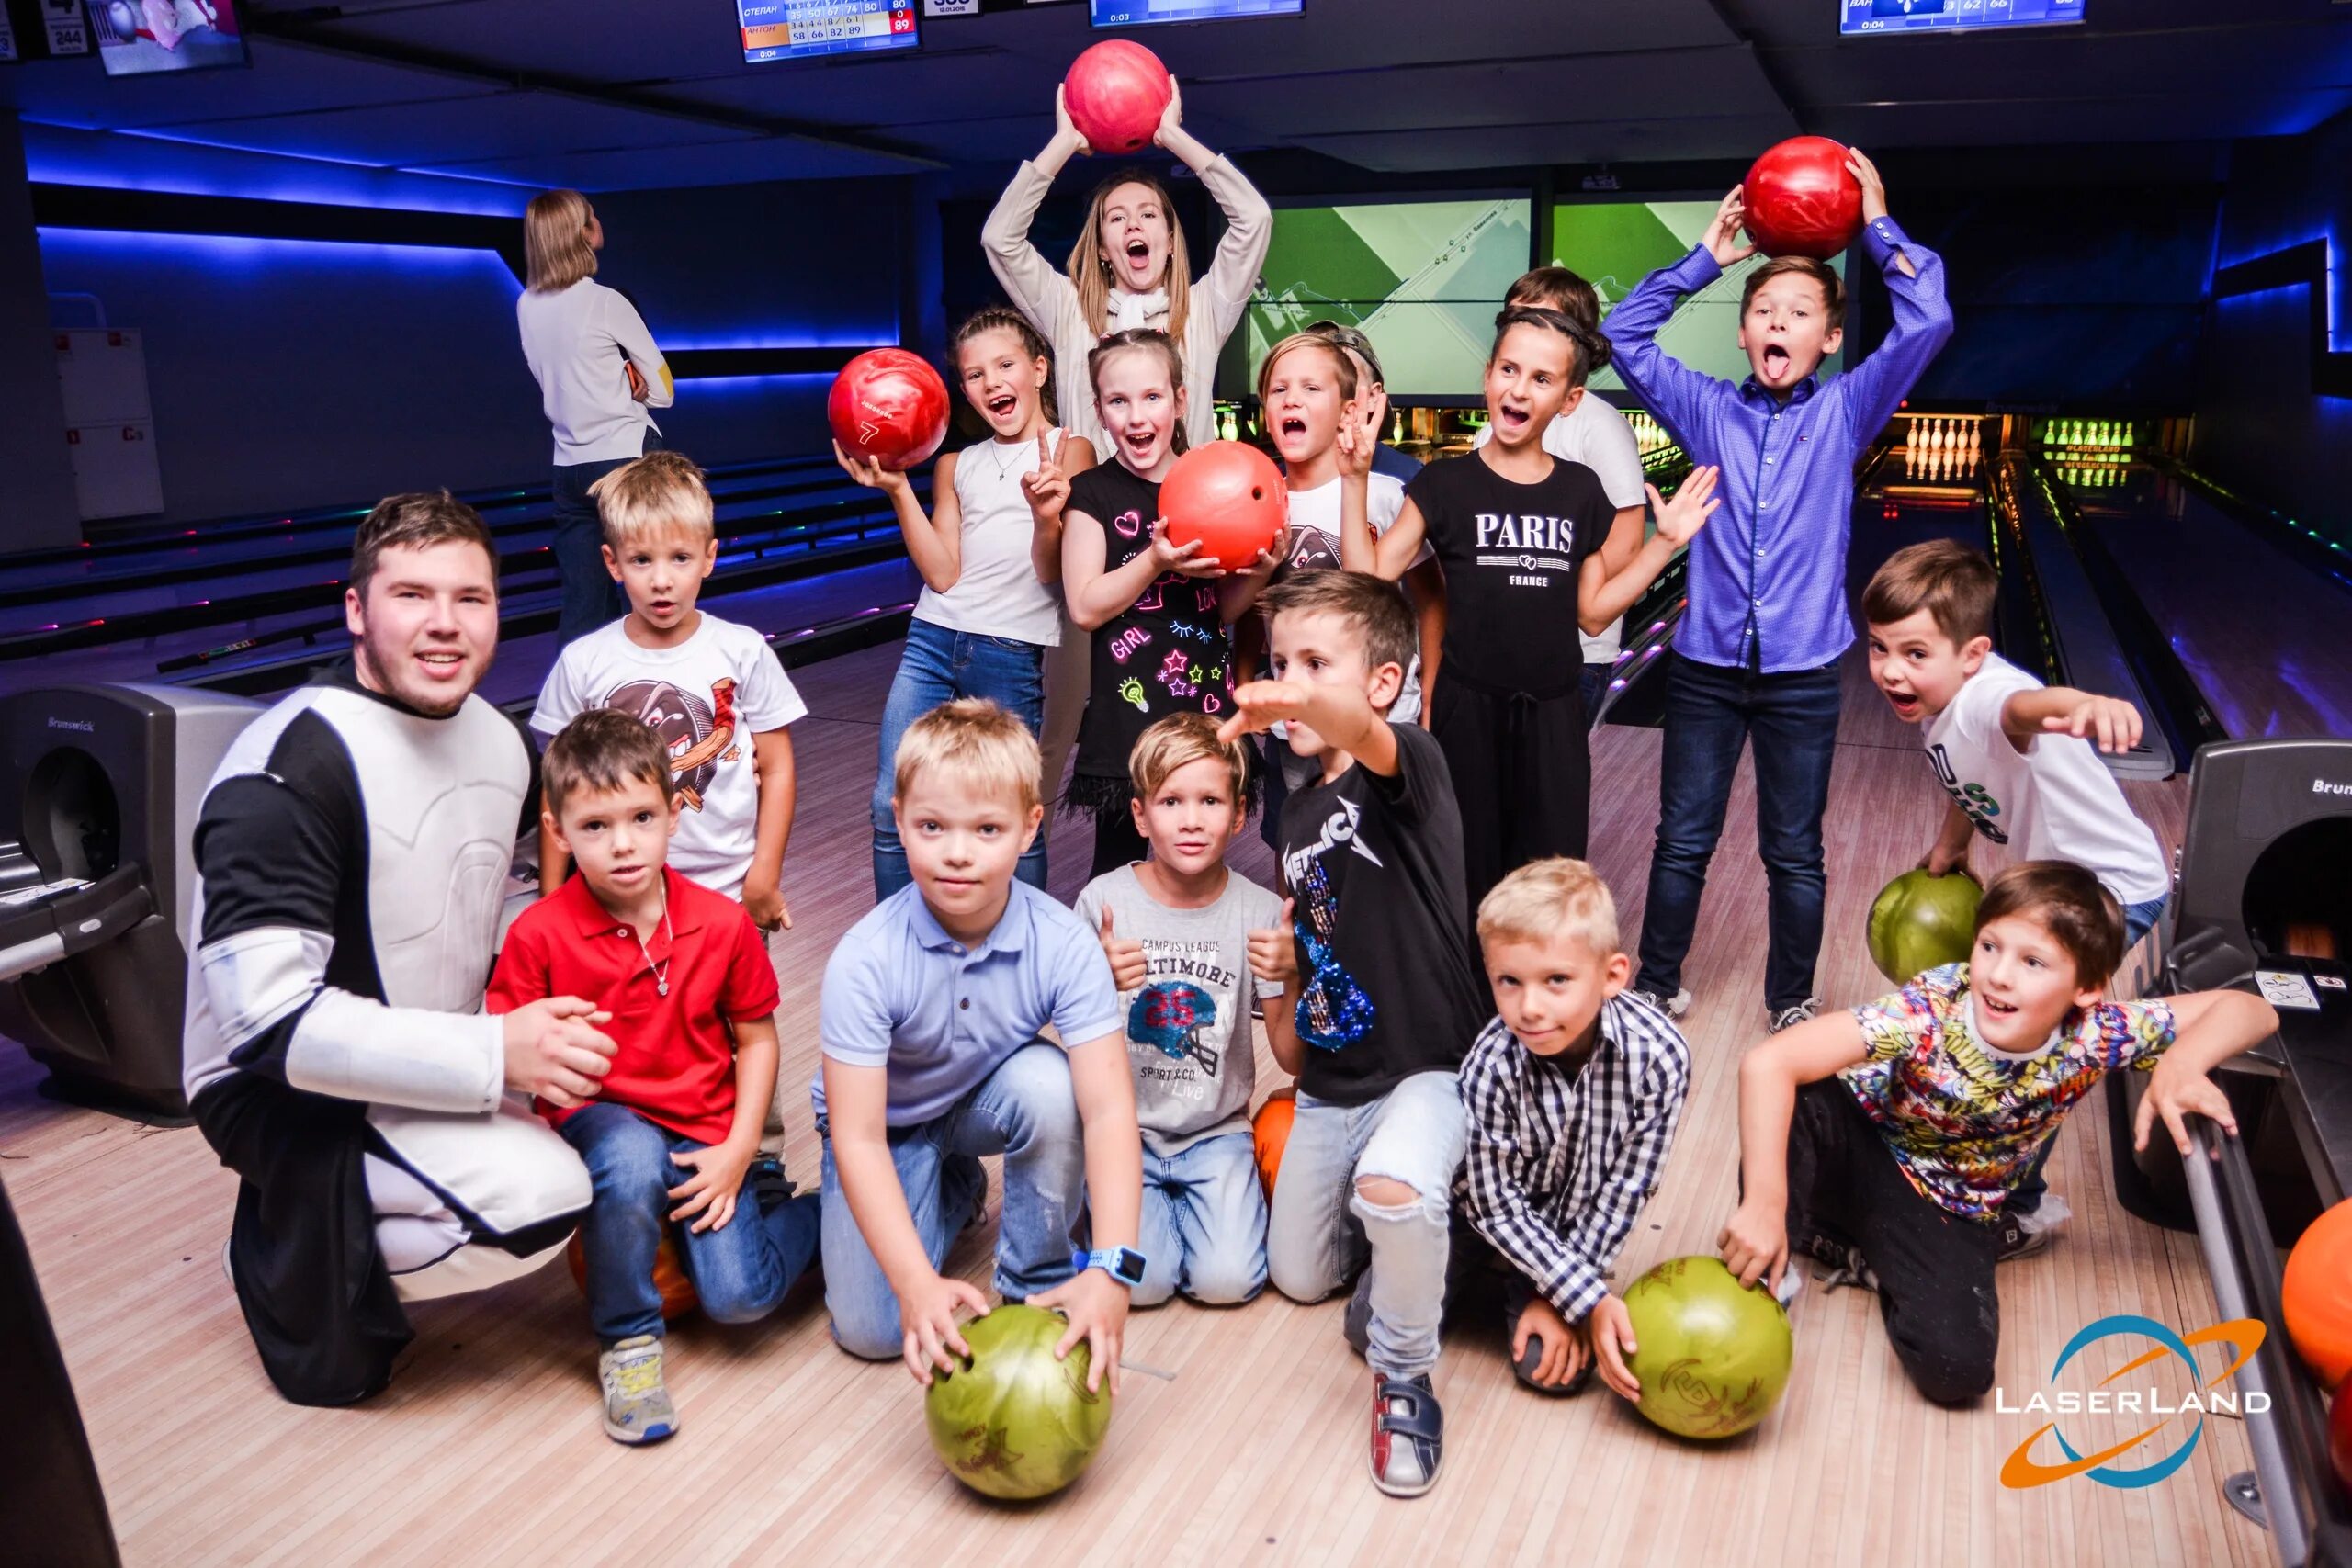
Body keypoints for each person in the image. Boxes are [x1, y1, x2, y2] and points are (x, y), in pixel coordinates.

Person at [182, 492, 608, 1407]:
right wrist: (499, 1055)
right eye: (412, 595)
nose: (445, 625)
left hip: (423, 1046)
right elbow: (267, 1027)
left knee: (618, 1133)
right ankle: (293, 1245)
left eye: (472, 598)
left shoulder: (499, 744)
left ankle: (354, 1204)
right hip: (275, 1089)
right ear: (356, 611)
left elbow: (471, 924)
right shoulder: (288, 768)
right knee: (539, 1196)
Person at [1605, 148, 1953, 1033]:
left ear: (1829, 340)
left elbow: (1926, 321)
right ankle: (1656, 982)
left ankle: (1791, 1000)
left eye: (1799, 312)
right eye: (1763, 308)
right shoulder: (1706, 409)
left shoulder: (1847, 410)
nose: (1778, 320)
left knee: (1794, 852)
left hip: (1802, 672)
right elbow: (1624, 334)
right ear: (1742, 330)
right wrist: (1704, 262)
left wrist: (1875, 223)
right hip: (1704, 666)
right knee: (1682, 840)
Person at [1718, 862, 2278, 1404]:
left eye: (2033, 962)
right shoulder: (1932, 1006)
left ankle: (1849, 1242)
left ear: (2086, 988)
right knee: (1805, 1096)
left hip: (1944, 1202)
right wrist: (1766, 1201)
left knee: (1957, 1373)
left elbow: (2252, 1009)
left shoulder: (2099, 1034)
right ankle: (1768, 1274)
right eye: (1990, 946)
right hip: (1858, 1142)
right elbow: (1769, 1063)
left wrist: (2182, 1063)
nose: (2000, 974)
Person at [1217, 570, 1489, 1499]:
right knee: (1299, 1281)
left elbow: (1359, 734)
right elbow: (1297, 1038)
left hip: (1427, 1067)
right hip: (1333, 1082)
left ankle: (1405, 1376)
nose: (1289, 680)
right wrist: (1282, 983)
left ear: (1378, 682)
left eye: (1315, 665)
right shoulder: (1292, 816)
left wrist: (1302, 704)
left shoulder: (1405, 763)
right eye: (1280, 660)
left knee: (1396, 1199)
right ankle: (1418, 1240)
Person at [491, 711, 820, 1445]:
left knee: (738, 1300)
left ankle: (838, 1219)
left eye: (642, 817)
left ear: (675, 813)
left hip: (705, 1132)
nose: (623, 843)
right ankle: (630, 1341)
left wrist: (739, 1151)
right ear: (557, 829)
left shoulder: (721, 922)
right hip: (600, 1122)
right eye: (596, 825)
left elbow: (757, 1040)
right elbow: (505, 1054)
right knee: (630, 1153)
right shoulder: (537, 934)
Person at [1348, 307, 1722, 922]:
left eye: (1541, 379)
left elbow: (1595, 614)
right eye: (1509, 369)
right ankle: (1469, 1007)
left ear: (1569, 400)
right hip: (1469, 711)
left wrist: (1666, 542)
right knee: (1467, 868)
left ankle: (1541, 1008)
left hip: (1553, 711)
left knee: (1551, 876)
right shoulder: (1443, 485)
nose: (1519, 388)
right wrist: (1356, 477)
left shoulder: (1579, 491)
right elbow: (1370, 577)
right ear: (1488, 375)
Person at [818, 700, 1143, 1394]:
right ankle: (956, 1184)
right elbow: (859, 1135)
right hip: (887, 1124)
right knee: (875, 1330)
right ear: (898, 817)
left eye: (987, 828)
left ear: (1030, 827)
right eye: (932, 826)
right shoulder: (865, 959)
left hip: (979, 1095)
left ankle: (1035, 1277)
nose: (958, 852)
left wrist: (1113, 1268)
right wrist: (914, 1283)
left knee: (1052, 1085)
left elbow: (1110, 1110)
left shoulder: (1064, 943)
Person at [1861, 536, 2174, 1245]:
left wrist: (2083, 703)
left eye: (1914, 653)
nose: (1890, 670)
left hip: (2110, 890)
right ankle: (1958, 1156)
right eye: (1880, 648)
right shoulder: (1942, 703)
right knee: (2000, 1026)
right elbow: (1964, 774)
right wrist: (1952, 843)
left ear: (1972, 654)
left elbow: (2023, 710)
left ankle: (2021, 1205)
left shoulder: (1987, 698)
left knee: (2027, 1041)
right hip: (2051, 886)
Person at [983, 72, 1271, 839]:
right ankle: (1029, 877)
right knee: (1076, 723)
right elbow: (999, 239)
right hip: (1102, 524)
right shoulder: (1071, 314)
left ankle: (1192, 848)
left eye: (1151, 214)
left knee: (1195, 715)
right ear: (1102, 243)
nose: (1135, 225)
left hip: (1199, 527)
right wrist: (1066, 143)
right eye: (1118, 217)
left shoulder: (1202, 310)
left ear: (1171, 235)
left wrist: (1174, 137)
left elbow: (1253, 219)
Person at [835, 307, 1097, 897]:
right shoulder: (956, 463)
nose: (992, 382)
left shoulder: (1071, 452)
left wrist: (1045, 516)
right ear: (963, 391)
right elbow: (942, 574)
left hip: (1010, 650)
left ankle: (1020, 949)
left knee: (1011, 811)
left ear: (1038, 369)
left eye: (1005, 365)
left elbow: (1051, 572)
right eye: (975, 375)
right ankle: (901, 942)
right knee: (890, 801)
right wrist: (899, 488)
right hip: (932, 640)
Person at [532, 451, 802, 935]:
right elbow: (558, 784)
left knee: (735, 1011)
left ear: (709, 557)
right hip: (610, 899)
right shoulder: (584, 660)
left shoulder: (742, 651)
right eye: (641, 560)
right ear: (612, 564)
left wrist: (766, 873)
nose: (662, 581)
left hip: (729, 890)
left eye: (680, 558)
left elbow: (778, 767)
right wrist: (553, 897)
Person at [1073, 714, 1294, 1307]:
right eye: (1171, 800)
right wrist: (1092, 983)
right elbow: (1064, 1046)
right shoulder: (1102, 902)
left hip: (1217, 1133)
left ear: (1240, 812)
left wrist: (1290, 976)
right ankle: (1114, 1211)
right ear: (1141, 813)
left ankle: (1173, 1218)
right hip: (1125, 1132)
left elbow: (1291, 1055)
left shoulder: (1262, 911)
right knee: (1142, 1286)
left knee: (1230, 1282)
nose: (1191, 819)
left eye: (1210, 800)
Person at [1459, 858, 1690, 1403]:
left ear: (1612, 975)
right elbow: (1489, 1204)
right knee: (1370, 1323)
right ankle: (1476, 1277)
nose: (1530, 1008)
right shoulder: (1490, 1064)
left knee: (1549, 1372)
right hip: (1470, 1220)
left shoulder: (1660, 1057)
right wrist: (1586, 1298)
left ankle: (1512, 1286)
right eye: (1508, 982)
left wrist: (1563, 1296)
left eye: (1556, 980)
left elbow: (1625, 1191)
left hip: (1569, 1234)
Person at [1058, 330, 1234, 877]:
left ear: (1179, 401)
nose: (1137, 417)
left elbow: (1224, 608)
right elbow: (1085, 607)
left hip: (1202, 713)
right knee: (1120, 872)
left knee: (1196, 865)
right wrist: (1155, 560)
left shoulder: (1213, 487)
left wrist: (1267, 567)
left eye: (1152, 398)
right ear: (1099, 410)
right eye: (1118, 401)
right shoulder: (1091, 492)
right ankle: (1112, 967)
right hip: (1127, 720)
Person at [1471, 268, 1654, 716]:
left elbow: (1627, 541)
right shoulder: (1488, 434)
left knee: (1550, 779)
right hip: (1497, 647)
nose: (1522, 331)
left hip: (1575, 653)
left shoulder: (1599, 426)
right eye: (1514, 317)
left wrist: (1546, 595)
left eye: (1539, 319)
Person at [516, 188, 673, 647]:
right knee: (652, 595)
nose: (598, 220)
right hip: (626, 459)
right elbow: (664, 389)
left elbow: (554, 379)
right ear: (581, 233)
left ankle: (586, 716)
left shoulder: (525, 306)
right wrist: (636, 385)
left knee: (585, 609)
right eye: (591, 216)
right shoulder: (607, 302)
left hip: (568, 468)